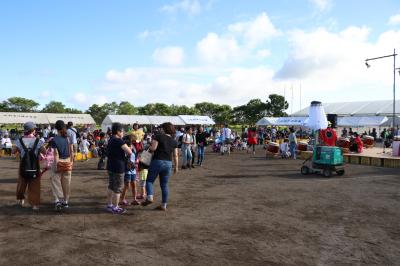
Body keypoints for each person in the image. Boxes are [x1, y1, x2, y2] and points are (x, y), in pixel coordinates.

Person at [142, 122, 179, 211]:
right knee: (164, 185)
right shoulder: (174, 141)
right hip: (168, 164)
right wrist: (176, 166)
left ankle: (150, 197)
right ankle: (164, 205)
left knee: (150, 181)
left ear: (164, 129)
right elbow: (176, 155)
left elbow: (153, 148)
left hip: (157, 161)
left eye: (161, 128)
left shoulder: (159, 136)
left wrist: (148, 147)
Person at [14, 122, 46, 210]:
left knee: (22, 182)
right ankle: (34, 204)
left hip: (23, 164)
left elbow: (13, 151)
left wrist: (21, 150)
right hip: (34, 164)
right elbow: (44, 152)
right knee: (34, 184)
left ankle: (21, 200)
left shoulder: (19, 140)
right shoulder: (38, 140)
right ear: (33, 130)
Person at [106, 123, 133, 214]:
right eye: (122, 131)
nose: (123, 133)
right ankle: (116, 207)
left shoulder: (110, 140)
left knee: (111, 186)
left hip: (110, 166)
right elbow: (129, 152)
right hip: (118, 166)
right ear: (118, 131)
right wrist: (130, 146)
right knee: (118, 188)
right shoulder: (119, 141)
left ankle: (109, 205)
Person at [51, 120, 74, 211]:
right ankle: (66, 202)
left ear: (56, 128)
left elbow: (56, 154)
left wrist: (56, 165)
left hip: (59, 161)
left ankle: (58, 200)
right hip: (68, 162)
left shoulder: (55, 139)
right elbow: (72, 151)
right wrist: (72, 162)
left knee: (55, 181)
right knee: (66, 183)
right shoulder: (68, 138)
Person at [120, 139, 139, 206]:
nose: (130, 147)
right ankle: (122, 200)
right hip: (127, 171)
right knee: (127, 185)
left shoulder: (133, 152)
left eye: (130, 146)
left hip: (133, 171)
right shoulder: (124, 153)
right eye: (129, 146)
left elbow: (135, 160)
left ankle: (135, 199)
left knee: (134, 184)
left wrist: (136, 163)